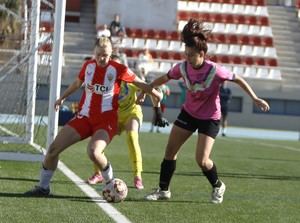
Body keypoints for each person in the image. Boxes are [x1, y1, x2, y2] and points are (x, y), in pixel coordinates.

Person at [144, 19, 270, 204]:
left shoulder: (215, 70)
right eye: (186, 54)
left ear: (202, 54)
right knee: (170, 152)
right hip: (188, 113)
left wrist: (254, 98)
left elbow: (238, 79)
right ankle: (163, 190)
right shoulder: (183, 67)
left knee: (202, 161)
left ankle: (218, 185)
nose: (188, 58)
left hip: (209, 118)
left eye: (191, 55)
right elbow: (165, 77)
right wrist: (147, 88)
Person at [24, 37, 162, 196]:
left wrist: (156, 93)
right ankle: (43, 187)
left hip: (106, 120)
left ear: (111, 53)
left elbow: (140, 83)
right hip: (84, 117)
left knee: (94, 152)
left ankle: (111, 183)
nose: (102, 59)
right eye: (99, 55)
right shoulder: (88, 66)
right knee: (53, 150)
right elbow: (77, 84)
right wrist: (62, 98)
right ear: (94, 53)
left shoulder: (119, 68)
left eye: (106, 55)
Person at [87, 54, 168, 189]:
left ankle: (137, 176)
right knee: (97, 142)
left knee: (132, 137)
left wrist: (157, 111)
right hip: (113, 116)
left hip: (132, 113)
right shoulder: (102, 81)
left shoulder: (130, 80)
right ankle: (98, 173)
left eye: (119, 66)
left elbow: (154, 92)